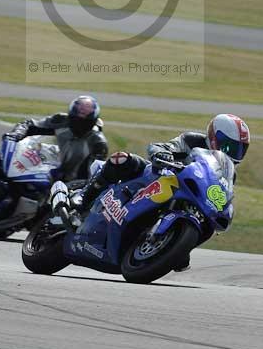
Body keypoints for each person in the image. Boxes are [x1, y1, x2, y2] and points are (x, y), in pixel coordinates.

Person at [78, 114, 251, 270]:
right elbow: (160, 146)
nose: (232, 152)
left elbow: (222, 192)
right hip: (158, 175)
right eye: (228, 145)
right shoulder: (192, 140)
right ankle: (82, 199)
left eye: (238, 149)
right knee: (121, 159)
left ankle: (173, 243)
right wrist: (163, 154)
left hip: (185, 197)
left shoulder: (228, 172)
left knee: (208, 226)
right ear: (214, 136)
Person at [4, 95, 109, 181]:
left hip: (69, 187)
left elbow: (93, 176)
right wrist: (16, 134)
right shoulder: (61, 120)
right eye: (76, 120)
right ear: (70, 117)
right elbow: (30, 124)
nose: (79, 126)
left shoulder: (98, 144)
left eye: (85, 123)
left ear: (93, 122)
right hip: (44, 169)